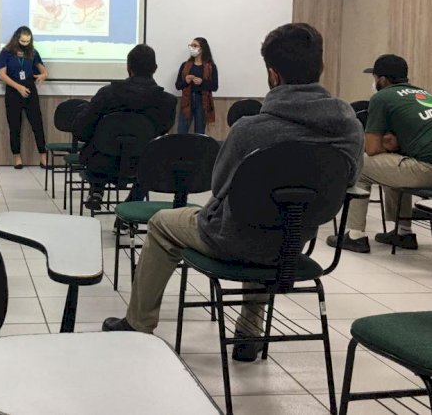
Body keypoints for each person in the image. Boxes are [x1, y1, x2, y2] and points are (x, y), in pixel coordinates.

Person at [102, 23, 364, 363]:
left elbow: (221, 187)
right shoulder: (348, 127)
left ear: (272, 74)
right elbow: (349, 179)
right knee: (270, 224)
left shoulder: (249, 130)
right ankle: (248, 335)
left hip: (235, 239)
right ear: (321, 67)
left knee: (163, 223)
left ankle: (138, 324)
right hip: (293, 242)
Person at [327, 54, 432, 253]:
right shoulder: (424, 95)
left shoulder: (382, 97)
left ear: (382, 79)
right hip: (424, 165)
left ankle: (354, 234)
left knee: (361, 163)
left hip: (426, 169)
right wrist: (394, 145)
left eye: (374, 78)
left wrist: (388, 144)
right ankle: (403, 232)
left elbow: (372, 148)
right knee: (392, 163)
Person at [72, 44, 176, 210]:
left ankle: (97, 189)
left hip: (102, 162)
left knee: (97, 144)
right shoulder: (167, 102)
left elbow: (81, 128)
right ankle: (132, 204)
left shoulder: (107, 94)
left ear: (129, 68)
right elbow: (161, 135)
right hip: (142, 165)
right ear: (155, 68)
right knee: (151, 160)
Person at [0, 26, 48, 169]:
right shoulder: (6, 53)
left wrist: (43, 75)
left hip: (30, 91)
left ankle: (43, 157)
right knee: (14, 126)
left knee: (37, 124)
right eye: (22, 41)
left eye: (27, 41)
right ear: (16, 38)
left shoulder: (32, 52)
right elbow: (2, 75)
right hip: (13, 92)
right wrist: (18, 87)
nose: (24, 44)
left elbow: (44, 71)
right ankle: (17, 158)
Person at [175, 37, 218, 134]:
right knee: (181, 131)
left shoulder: (210, 66)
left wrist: (202, 82)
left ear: (202, 48)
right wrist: (186, 81)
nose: (191, 48)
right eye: (191, 45)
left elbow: (214, 86)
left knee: (199, 133)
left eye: (195, 45)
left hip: (202, 102)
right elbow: (178, 86)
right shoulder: (185, 65)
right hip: (186, 101)